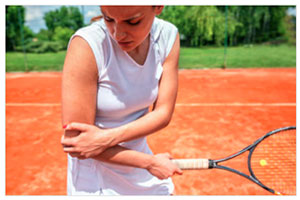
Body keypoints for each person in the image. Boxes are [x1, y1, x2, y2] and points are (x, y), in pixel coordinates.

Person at [60, 6, 182, 195]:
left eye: (132, 21)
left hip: (140, 164)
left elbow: (163, 112)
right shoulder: (86, 45)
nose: (118, 34)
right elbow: (77, 141)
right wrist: (149, 162)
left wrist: (105, 138)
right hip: (96, 180)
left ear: (158, 7)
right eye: (109, 19)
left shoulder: (167, 35)